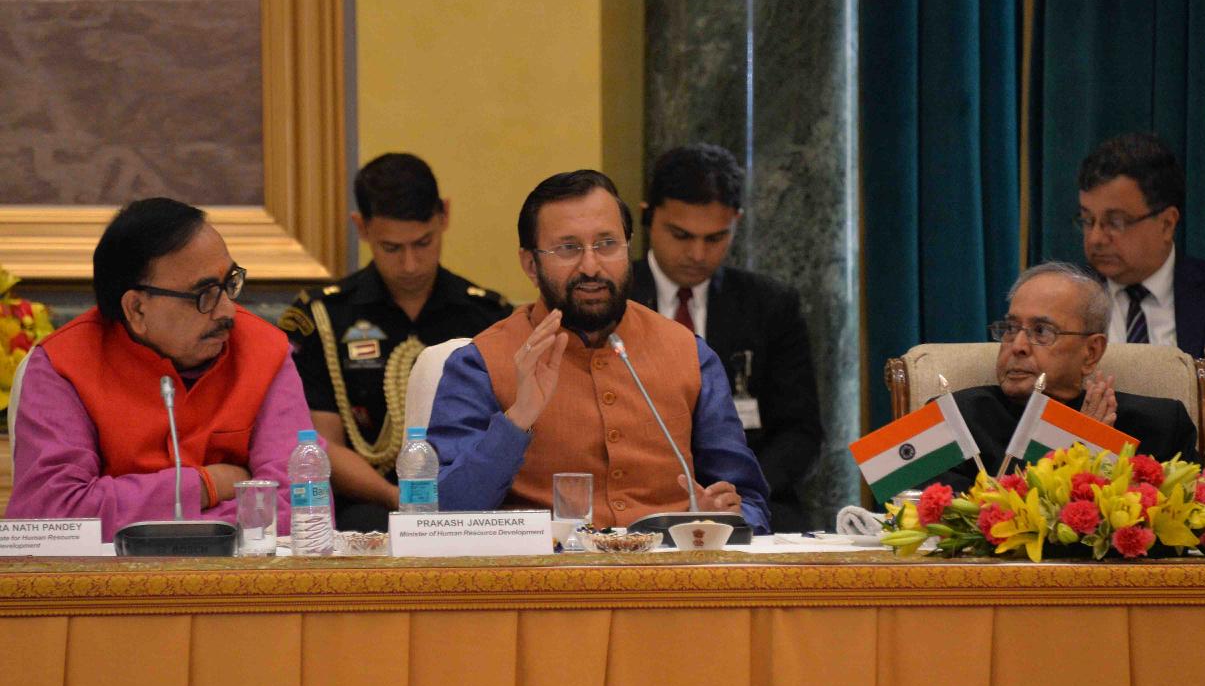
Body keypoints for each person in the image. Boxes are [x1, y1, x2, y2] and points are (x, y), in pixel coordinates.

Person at [427, 169, 771, 532]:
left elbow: (750, 503)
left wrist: (725, 517)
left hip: (668, 565)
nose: (591, 267)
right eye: (568, 248)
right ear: (531, 264)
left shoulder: (691, 355)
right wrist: (517, 421)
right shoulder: (479, 364)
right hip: (546, 566)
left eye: (607, 244)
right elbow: (442, 516)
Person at [8, 198, 311, 541]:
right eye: (204, 294)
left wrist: (146, 516)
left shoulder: (264, 350)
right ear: (136, 309)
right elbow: (52, 516)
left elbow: (301, 507)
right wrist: (208, 485)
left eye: (229, 283)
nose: (227, 310)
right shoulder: (62, 365)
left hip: (238, 573)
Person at [280, 153, 511, 531]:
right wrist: (401, 499)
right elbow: (321, 443)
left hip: (469, 504)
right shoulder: (322, 318)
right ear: (362, 227)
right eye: (392, 248)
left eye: (423, 243)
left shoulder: (486, 316)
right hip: (368, 506)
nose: (410, 264)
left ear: (445, 216)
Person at [629, 143, 822, 531]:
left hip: (748, 501)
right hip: (637, 499)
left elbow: (800, 433)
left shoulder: (770, 305)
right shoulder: (615, 299)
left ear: (736, 222)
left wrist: (741, 492)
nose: (698, 254)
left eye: (716, 238)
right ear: (648, 217)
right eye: (681, 235)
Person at [940, 262, 1198, 490]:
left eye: (1041, 331)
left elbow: (1186, 519)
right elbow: (940, 516)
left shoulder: (1160, 426)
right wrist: (1074, 450)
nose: (1018, 346)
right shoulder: (954, 419)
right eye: (1010, 328)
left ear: (1091, 352)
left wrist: (1100, 452)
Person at [1077, 132, 1205, 467]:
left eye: (1115, 222)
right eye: (1088, 220)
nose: (1096, 237)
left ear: (1167, 223)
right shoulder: (1065, 303)